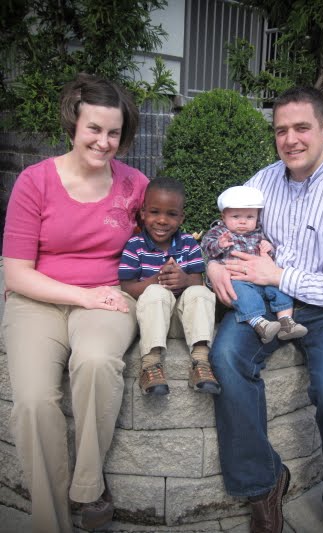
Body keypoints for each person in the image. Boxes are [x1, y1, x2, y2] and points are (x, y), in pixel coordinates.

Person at [207, 87, 323, 533]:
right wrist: (213, 265)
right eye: (281, 130)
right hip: (262, 300)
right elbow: (226, 230)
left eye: (302, 127)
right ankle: (265, 483)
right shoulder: (263, 182)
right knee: (225, 358)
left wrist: (280, 276)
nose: (290, 139)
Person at [1, 73, 149, 533]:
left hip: (108, 297)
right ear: (74, 124)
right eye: (94, 129)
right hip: (37, 298)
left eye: (114, 133)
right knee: (32, 402)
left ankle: (87, 487)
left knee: (97, 362)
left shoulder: (134, 185)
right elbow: (16, 273)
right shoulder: (35, 182)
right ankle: (51, 522)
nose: (104, 142)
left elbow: (162, 241)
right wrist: (81, 295)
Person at [119, 177, 221, 396]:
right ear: (143, 213)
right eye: (155, 212)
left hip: (183, 322)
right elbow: (127, 288)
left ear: (181, 217)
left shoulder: (188, 243)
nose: (162, 220)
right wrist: (156, 280)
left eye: (172, 214)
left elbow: (197, 280)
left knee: (200, 291)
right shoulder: (135, 246)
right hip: (152, 320)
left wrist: (184, 280)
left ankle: (201, 361)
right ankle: (150, 364)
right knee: (156, 292)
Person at [201, 185, 308, 343]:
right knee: (242, 295)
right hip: (237, 279)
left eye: (250, 217)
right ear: (224, 216)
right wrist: (219, 244)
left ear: (257, 217)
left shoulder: (259, 233)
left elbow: (269, 256)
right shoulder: (220, 233)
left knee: (280, 289)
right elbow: (206, 247)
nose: (243, 221)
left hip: (263, 277)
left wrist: (268, 248)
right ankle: (259, 323)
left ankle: (286, 322)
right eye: (236, 216)